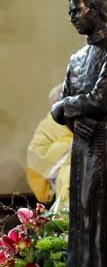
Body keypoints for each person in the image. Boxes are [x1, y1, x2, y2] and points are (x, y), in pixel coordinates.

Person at [51, 0, 107, 267]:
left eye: (77, 10)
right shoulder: (77, 59)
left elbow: (99, 100)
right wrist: (73, 117)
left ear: (96, 10)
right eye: (70, 12)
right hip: (83, 141)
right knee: (82, 211)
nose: (72, 17)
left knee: (104, 210)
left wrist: (67, 107)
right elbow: (57, 108)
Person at [26, 84, 72, 213]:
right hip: (55, 183)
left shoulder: (80, 121)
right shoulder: (48, 125)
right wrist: (71, 145)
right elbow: (36, 154)